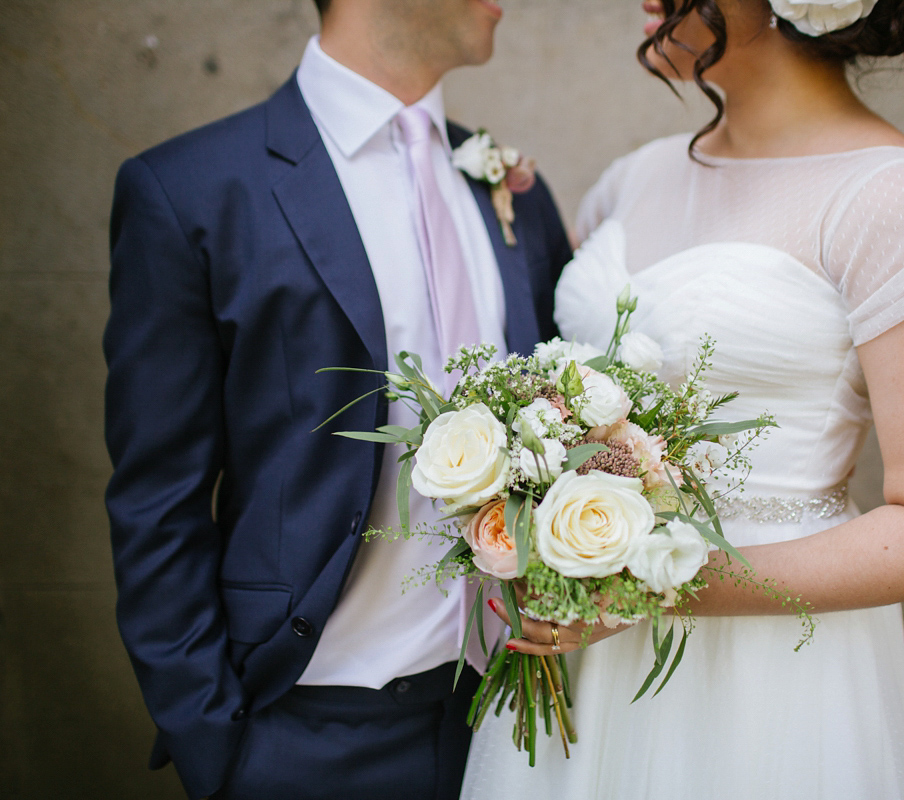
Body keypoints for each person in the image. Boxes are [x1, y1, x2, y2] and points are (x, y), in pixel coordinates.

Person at [462, 1, 904, 798]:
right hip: (591, 657)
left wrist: (651, 584)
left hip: (771, 683)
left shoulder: (898, 200)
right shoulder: (634, 177)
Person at [102, 0, 571, 797]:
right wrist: (218, 748)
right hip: (306, 735)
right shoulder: (192, 190)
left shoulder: (513, 191)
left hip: (513, 726)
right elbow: (158, 499)